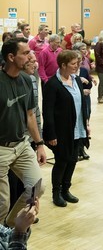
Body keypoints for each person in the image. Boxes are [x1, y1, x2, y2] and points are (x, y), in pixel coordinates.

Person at [0, 38, 46, 228]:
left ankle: (11, 228)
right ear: (11, 57)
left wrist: (39, 143)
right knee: (1, 203)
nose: (30, 56)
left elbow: (30, 115)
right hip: (1, 149)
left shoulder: (27, 80)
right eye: (25, 53)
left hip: (21, 144)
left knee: (38, 187)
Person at [43, 50, 90, 207]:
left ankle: (66, 189)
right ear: (63, 65)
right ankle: (56, 193)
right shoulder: (52, 84)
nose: (77, 66)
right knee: (62, 161)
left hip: (77, 128)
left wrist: (86, 124)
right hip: (61, 131)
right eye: (73, 63)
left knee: (72, 160)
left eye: (77, 63)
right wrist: (51, 134)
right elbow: (47, 112)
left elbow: (82, 105)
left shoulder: (76, 80)